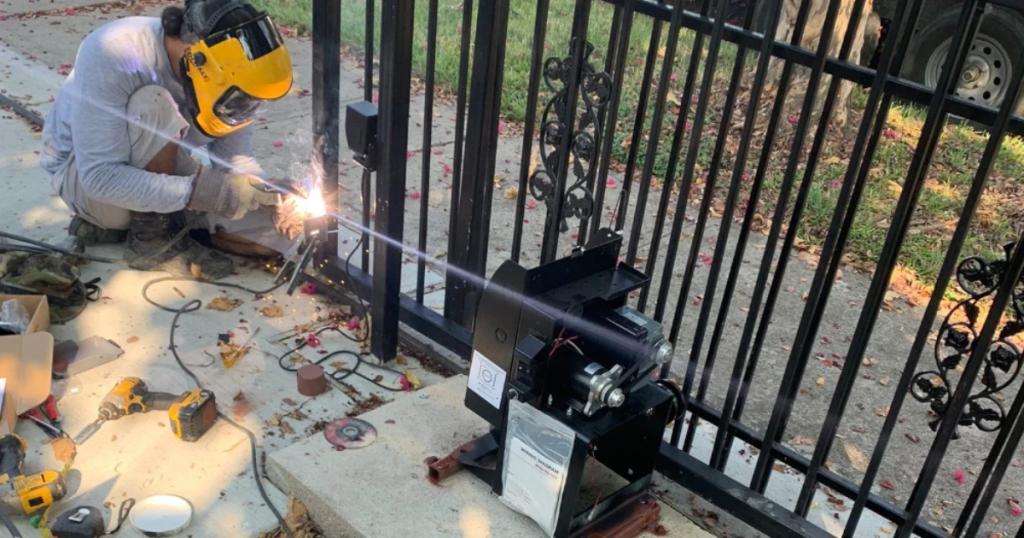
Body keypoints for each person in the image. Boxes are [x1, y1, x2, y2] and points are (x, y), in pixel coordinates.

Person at [40, 0, 296, 280]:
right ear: (201, 61)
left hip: (161, 176)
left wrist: (268, 192)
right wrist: (207, 192)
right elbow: (99, 177)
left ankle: (173, 231)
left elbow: (234, 161)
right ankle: (153, 243)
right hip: (86, 183)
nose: (243, 105)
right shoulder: (114, 50)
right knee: (154, 104)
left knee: (275, 237)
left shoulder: (234, 77)